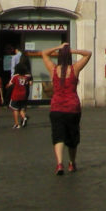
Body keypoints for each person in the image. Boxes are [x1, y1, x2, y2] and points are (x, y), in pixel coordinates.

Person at [41, 43, 92, 175]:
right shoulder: (75, 69)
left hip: (56, 107)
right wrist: (72, 50)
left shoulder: (53, 69)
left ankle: (59, 164)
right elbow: (88, 54)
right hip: (72, 107)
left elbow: (44, 53)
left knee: (58, 136)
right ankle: (71, 163)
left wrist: (58, 47)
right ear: (69, 57)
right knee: (72, 136)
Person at [8, 57, 32, 129]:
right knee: (21, 108)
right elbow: (29, 83)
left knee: (15, 109)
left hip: (16, 95)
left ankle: (17, 124)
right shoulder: (26, 77)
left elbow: (10, 84)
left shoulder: (15, 77)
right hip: (23, 95)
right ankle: (24, 117)